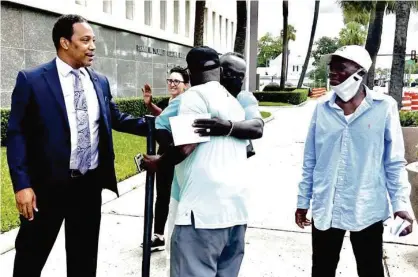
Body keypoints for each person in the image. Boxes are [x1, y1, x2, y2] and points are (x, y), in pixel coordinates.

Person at [7, 14, 148, 277]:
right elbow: (17, 135)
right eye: (85, 40)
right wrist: (23, 185)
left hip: (88, 186)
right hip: (45, 189)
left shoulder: (99, 81)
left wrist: (157, 125)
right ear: (64, 43)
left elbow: (115, 118)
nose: (92, 46)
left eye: (93, 40)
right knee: (29, 259)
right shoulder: (32, 80)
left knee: (84, 261)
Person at [295, 45, 413, 277]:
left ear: (359, 72)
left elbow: (394, 162)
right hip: (326, 204)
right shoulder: (323, 108)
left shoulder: (384, 107)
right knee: (321, 269)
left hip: (366, 205)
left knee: (370, 270)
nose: (333, 73)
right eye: (331, 68)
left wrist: (400, 205)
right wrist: (303, 200)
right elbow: (310, 160)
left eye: (341, 68)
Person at [143, 46, 251, 277]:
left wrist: (158, 162)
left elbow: (185, 147)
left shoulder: (194, 95)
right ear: (218, 70)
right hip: (236, 214)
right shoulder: (233, 102)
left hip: (202, 216)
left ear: (190, 73)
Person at [140, 66, 190, 251]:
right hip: (167, 153)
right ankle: (159, 235)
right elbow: (163, 116)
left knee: (174, 195)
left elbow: (162, 122)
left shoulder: (186, 102)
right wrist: (149, 104)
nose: (172, 84)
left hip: (176, 153)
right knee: (162, 195)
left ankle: (173, 236)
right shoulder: (172, 102)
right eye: (170, 80)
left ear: (186, 85)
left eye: (177, 81)